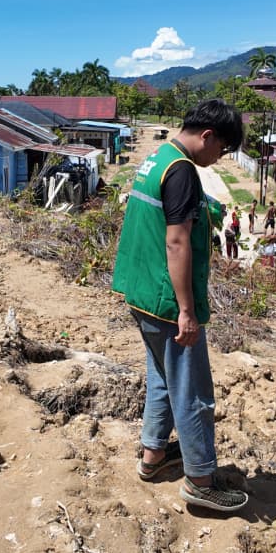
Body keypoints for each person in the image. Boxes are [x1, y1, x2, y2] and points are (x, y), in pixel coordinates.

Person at [111, 98, 249, 512]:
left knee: (162, 376)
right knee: (193, 391)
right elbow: (176, 242)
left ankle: (153, 455)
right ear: (207, 136)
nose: (220, 157)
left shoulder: (157, 159)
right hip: (168, 301)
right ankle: (201, 480)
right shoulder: (182, 170)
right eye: (222, 149)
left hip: (142, 292)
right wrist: (187, 311)